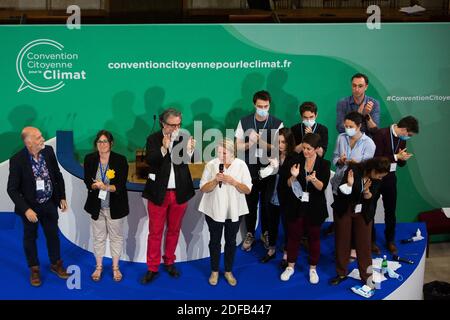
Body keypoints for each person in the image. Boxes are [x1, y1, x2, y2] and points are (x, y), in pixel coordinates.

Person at [7, 127, 69, 286]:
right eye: (39, 137)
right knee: (30, 238)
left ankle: (56, 264)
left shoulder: (48, 151)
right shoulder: (17, 160)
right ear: (29, 142)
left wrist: (62, 196)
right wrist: (26, 209)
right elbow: (12, 189)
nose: (43, 139)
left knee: (53, 235)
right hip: (30, 209)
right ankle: (34, 269)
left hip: (49, 203)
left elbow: (57, 175)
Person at [141, 108, 196, 284]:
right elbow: (150, 160)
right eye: (172, 125)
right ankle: (152, 267)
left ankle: (169, 261)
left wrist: (191, 150)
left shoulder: (184, 137)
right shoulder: (153, 139)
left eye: (179, 124)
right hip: (158, 193)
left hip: (179, 192)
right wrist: (163, 148)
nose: (176, 128)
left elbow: (189, 161)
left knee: (174, 230)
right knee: (155, 232)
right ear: (163, 123)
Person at [199, 138, 252, 286]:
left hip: (234, 211)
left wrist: (233, 182)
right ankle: (214, 271)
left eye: (223, 152)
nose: (220, 155)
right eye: (218, 152)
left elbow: (248, 190)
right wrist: (215, 181)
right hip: (214, 210)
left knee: (231, 241)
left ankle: (228, 271)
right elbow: (203, 188)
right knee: (214, 241)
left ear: (232, 152)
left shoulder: (241, 165)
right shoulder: (211, 165)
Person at [329, 157, 390, 286]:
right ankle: (341, 273)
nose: (380, 178)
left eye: (382, 176)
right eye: (379, 174)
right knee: (342, 241)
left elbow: (371, 198)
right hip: (345, 207)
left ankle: (367, 277)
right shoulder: (354, 169)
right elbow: (342, 192)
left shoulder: (377, 180)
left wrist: (367, 191)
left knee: (364, 244)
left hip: (364, 211)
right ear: (373, 169)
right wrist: (350, 185)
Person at [235, 90, 283, 251]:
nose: (263, 108)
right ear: (254, 105)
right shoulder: (244, 122)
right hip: (249, 168)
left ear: (270, 105)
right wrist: (250, 143)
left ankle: (266, 232)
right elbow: (237, 146)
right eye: (260, 106)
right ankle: (250, 233)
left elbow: (279, 147)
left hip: (269, 169)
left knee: (267, 203)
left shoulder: (277, 123)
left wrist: (262, 143)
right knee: (250, 202)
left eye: (266, 106)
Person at [280, 133, 331, 283]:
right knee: (293, 237)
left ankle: (313, 269)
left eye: (309, 149)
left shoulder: (324, 164)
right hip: (296, 206)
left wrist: (314, 180)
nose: (305, 152)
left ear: (316, 149)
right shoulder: (295, 161)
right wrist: (293, 176)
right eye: (304, 148)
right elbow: (287, 184)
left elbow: (322, 187)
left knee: (314, 238)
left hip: (315, 207)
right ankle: (290, 267)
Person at [83, 130, 129, 282]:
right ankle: (99, 267)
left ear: (111, 143)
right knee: (98, 237)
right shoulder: (89, 159)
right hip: (97, 206)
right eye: (99, 142)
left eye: (105, 141)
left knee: (116, 237)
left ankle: (115, 268)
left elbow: (121, 185)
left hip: (115, 206)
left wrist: (106, 188)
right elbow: (87, 181)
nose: (102, 145)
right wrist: (94, 186)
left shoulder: (120, 160)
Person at [330, 111, 377, 254]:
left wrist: (356, 164)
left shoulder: (369, 143)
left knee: (356, 219)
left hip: (356, 187)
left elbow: (368, 168)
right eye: (346, 126)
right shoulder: (341, 138)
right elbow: (334, 158)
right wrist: (340, 160)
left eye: (350, 126)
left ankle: (354, 248)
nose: (347, 129)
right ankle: (342, 249)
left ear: (359, 126)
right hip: (339, 184)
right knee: (341, 219)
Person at [372, 116, 419, 254]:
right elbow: (377, 158)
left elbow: (400, 162)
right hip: (376, 178)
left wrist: (403, 158)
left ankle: (390, 240)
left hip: (391, 178)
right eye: (409, 135)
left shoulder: (401, 139)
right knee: (371, 210)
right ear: (404, 129)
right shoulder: (381, 134)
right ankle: (371, 241)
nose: (408, 138)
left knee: (391, 211)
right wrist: (396, 157)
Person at [259, 128, 296, 267]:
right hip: (271, 195)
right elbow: (263, 175)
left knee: (287, 226)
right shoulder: (272, 155)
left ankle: (286, 253)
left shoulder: (294, 158)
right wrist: (269, 168)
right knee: (271, 224)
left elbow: (291, 178)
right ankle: (271, 249)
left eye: (283, 142)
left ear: (289, 143)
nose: (280, 145)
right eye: (278, 141)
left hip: (286, 198)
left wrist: (278, 168)